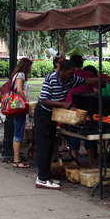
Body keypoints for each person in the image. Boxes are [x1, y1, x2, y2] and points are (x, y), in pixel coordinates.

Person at [34, 60, 88, 189]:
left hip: (53, 114)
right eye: (70, 72)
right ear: (62, 71)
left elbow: (85, 81)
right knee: (44, 146)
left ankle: (46, 176)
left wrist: (102, 80)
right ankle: (42, 179)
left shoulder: (70, 79)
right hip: (43, 113)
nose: (73, 75)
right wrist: (63, 104)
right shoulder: (51, 78)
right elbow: (44, 99)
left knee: (50, 144)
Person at [7, 57, 33, 169]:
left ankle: (17, 158)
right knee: (18, 132)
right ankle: (17, 160)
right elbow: (19, 90)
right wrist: (26, 101)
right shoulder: (21, 75)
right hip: (19, 106)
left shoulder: (15, 75)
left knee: (17, 131)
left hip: (16, 106)